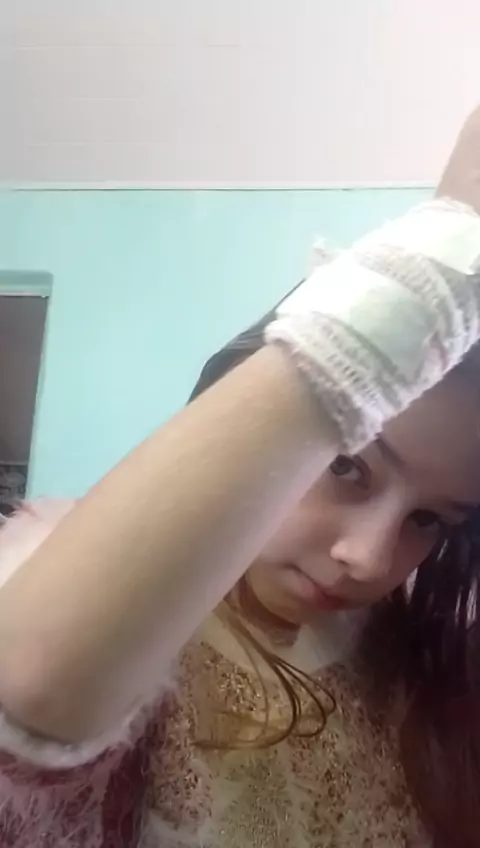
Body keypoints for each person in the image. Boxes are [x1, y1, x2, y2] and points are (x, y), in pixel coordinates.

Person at [1, 111, 480, 848]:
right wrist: (447, 251)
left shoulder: (419, 655)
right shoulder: (107, 605)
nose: (367, 558)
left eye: (427, 520)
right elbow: (31, 695)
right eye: (347, 466)